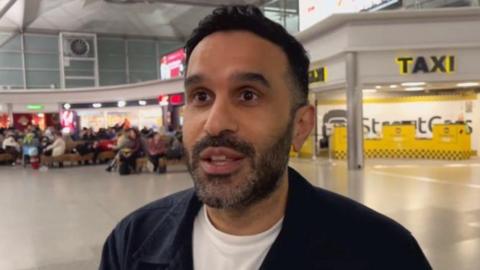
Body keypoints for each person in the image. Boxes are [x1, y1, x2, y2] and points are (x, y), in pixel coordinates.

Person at [100, 5, 431, 270]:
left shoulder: (383, 253)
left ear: (300, 125)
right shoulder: (132, 242)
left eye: (247, 95)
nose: (215, 124)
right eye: (201, 96)